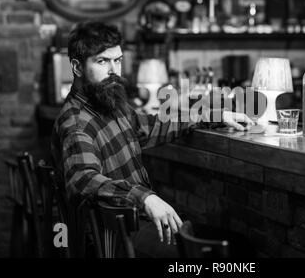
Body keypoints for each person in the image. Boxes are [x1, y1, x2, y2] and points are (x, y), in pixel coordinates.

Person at [50, 21, 254, 257]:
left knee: (238, 244)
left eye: (117, 60)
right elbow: (83, 179)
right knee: (231, 251)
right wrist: (145, 198)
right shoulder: (76, 123)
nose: (114, 70)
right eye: (102, 61)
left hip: (133, 223)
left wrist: (212, 115)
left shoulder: (109, 106)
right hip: (111, 239)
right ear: (76, 67)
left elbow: (152, 125)